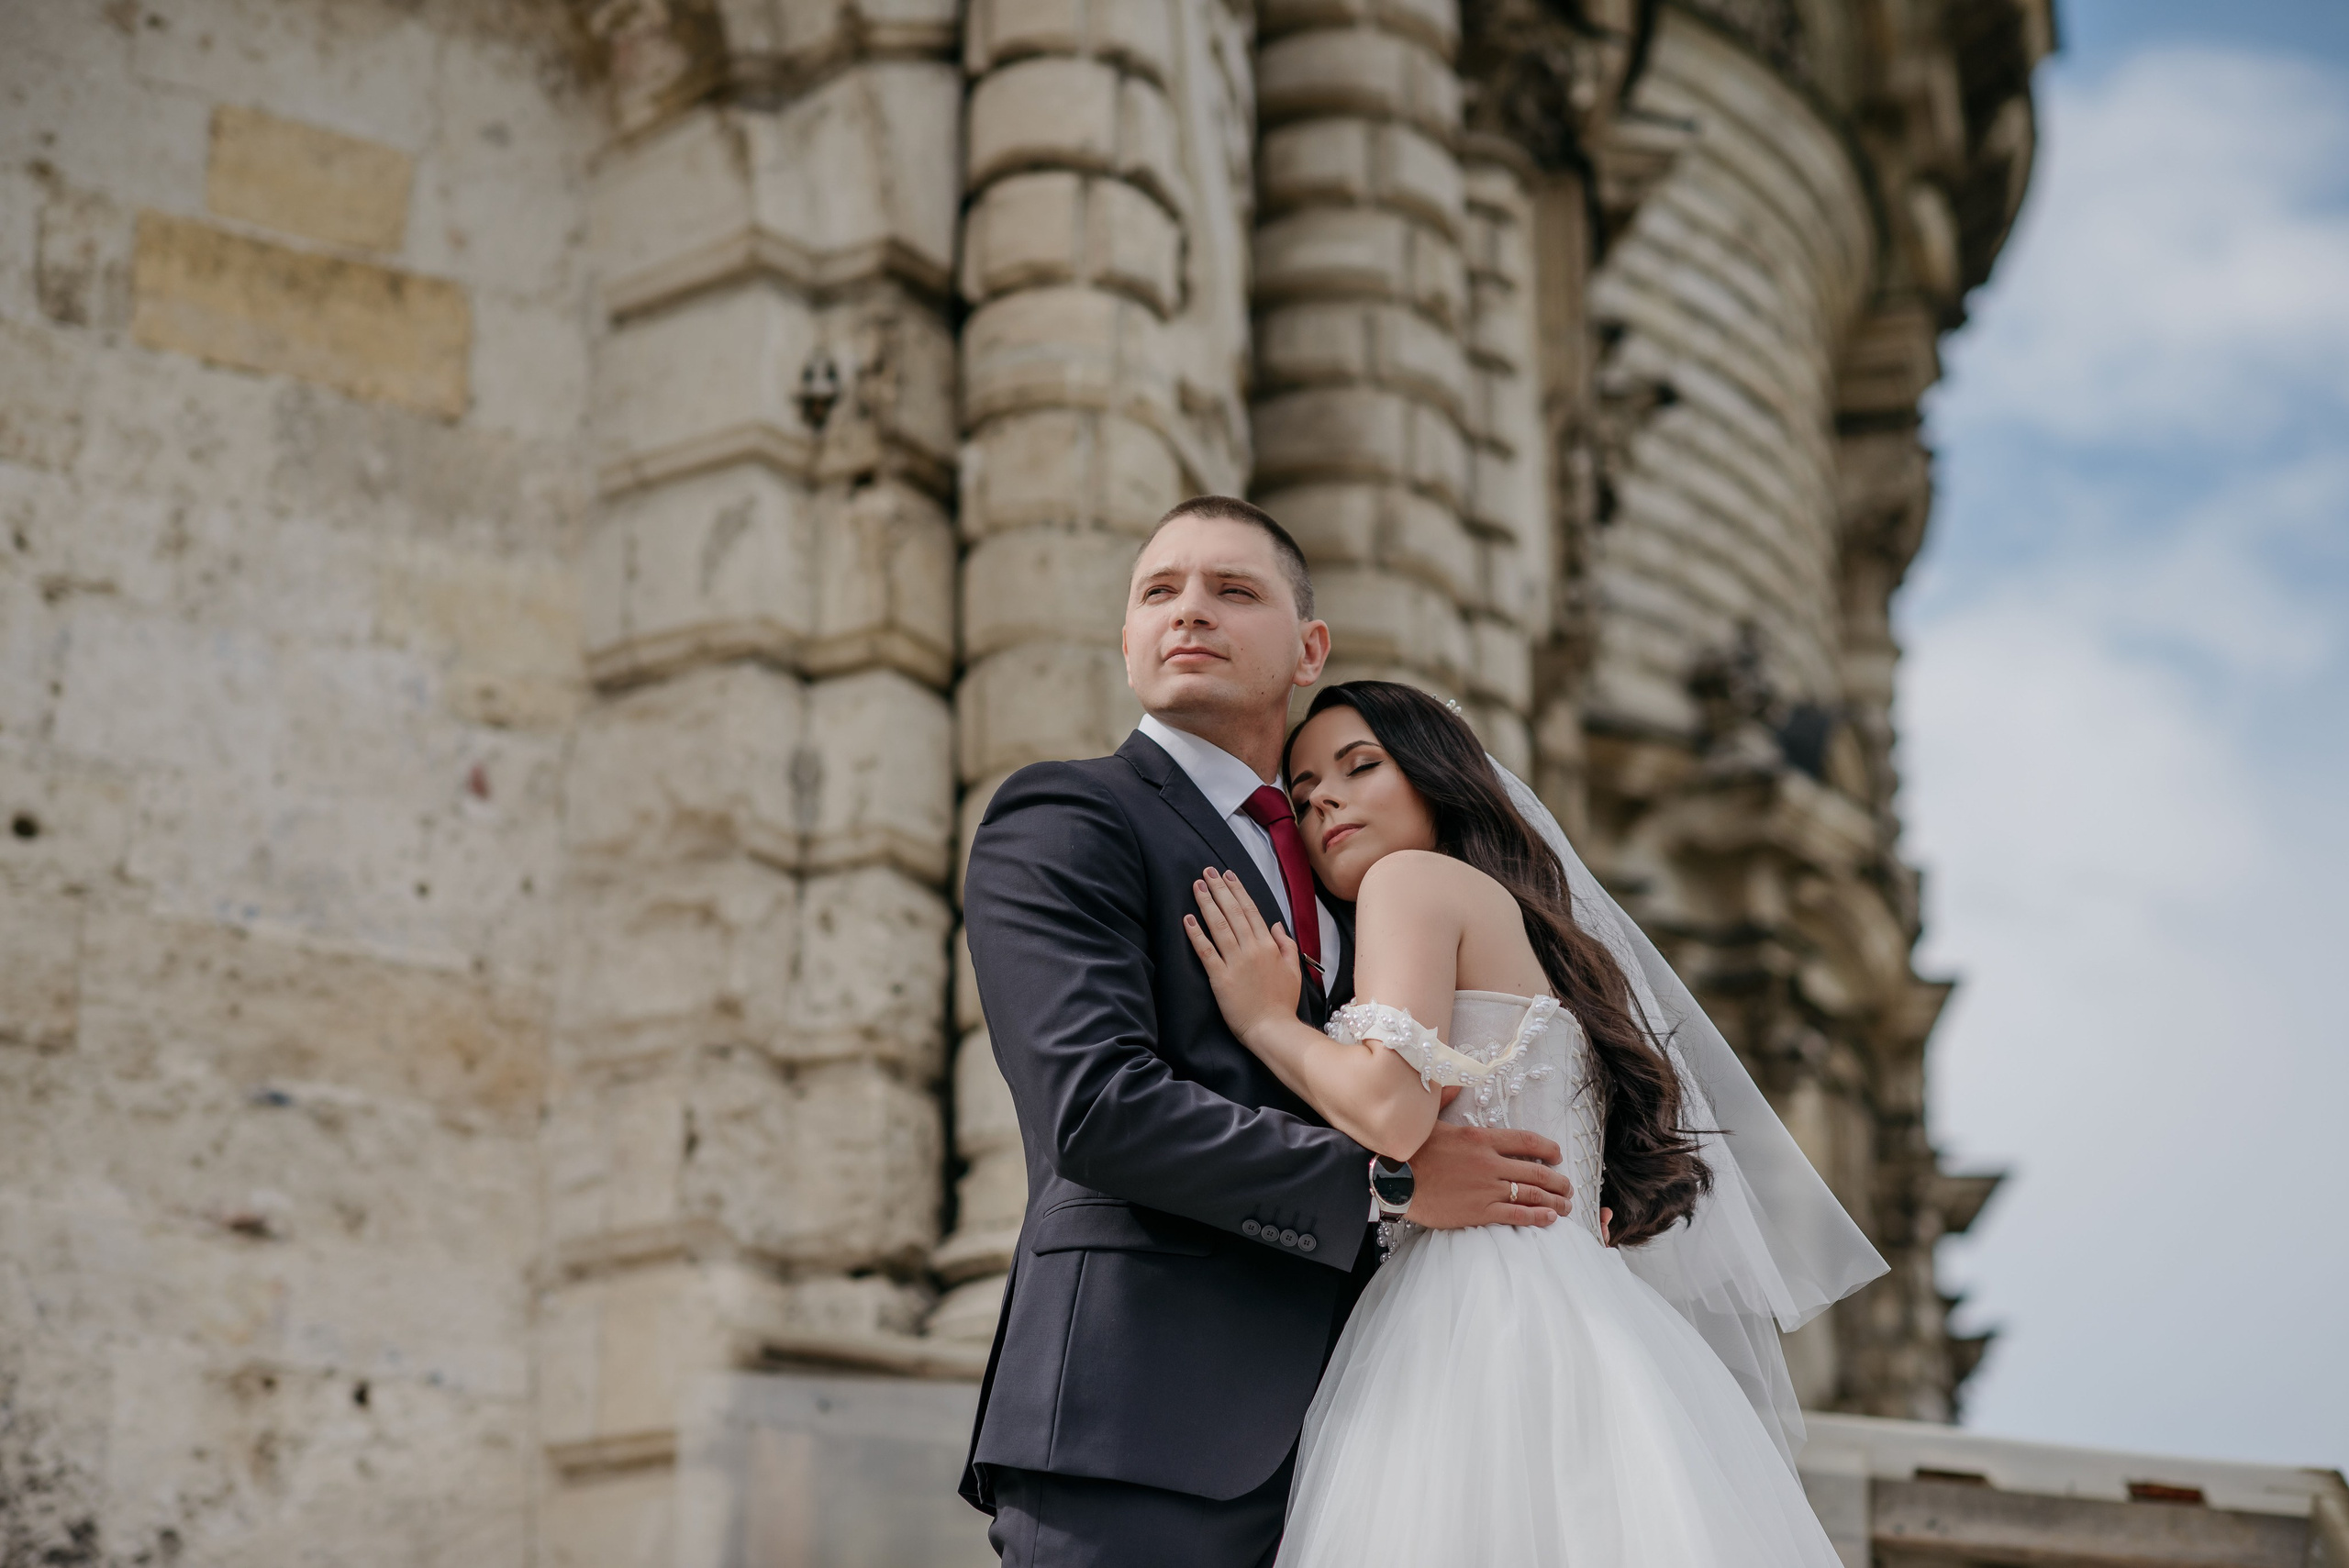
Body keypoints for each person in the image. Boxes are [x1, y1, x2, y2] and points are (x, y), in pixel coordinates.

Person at [959, 496, 1581, 1567]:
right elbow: (1094, 1107)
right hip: (1145, 1430)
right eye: (1159, 591)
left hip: (1388, 1440)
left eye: (1231, 590)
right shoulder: (1065, 816)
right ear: (1126, 640)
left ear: (1309, 647)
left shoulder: (1363, 873)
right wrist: (1384, 1185)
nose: (1188, 612)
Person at [1183, 679, 1887, 1565]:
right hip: (1584, 1315)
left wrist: (1265, 1022)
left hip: (1478, 1311)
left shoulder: (1412, 881)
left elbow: (1394, 1111)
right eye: (1304, 791)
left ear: (1435, 779)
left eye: (1361, 767)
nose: (1325, 798)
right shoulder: (1532, 932)